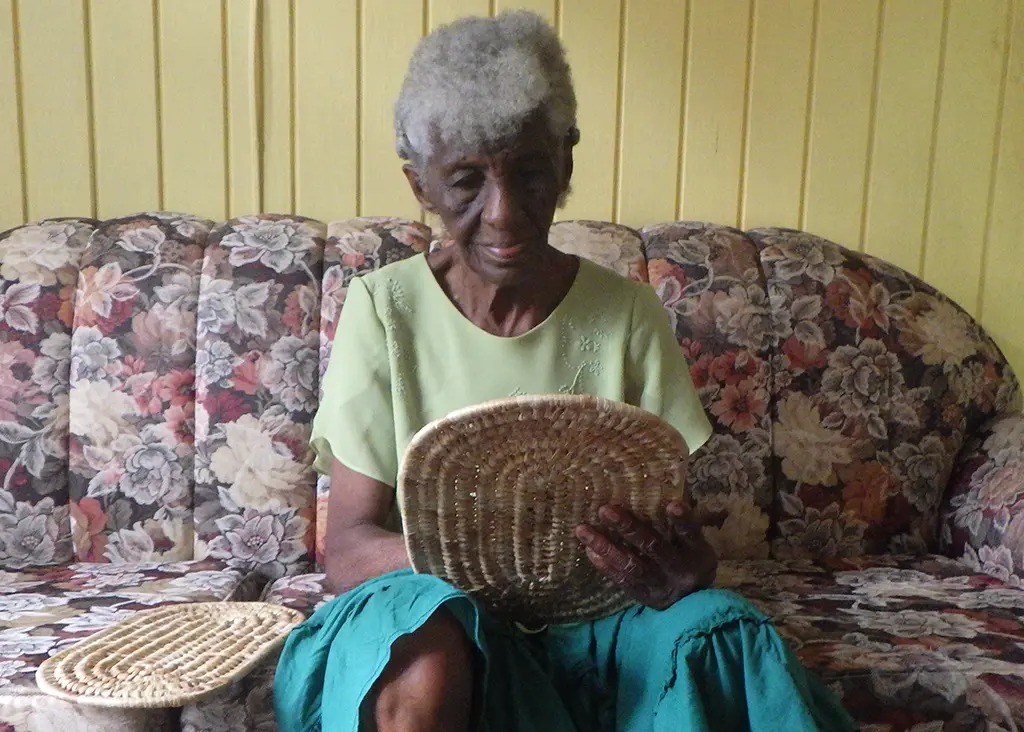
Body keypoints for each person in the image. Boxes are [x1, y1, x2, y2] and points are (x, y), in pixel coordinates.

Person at [274, 11, 855, 732]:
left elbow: (677, 536)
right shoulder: (382, 309)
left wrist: (687, 571)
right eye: (465, 182)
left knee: (720, 630)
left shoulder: (629, 315)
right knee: (422, 644)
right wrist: (482, 561)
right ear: (419, 185)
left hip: (599, 620)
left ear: (566, 164)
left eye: (530, 173)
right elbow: (350, 549)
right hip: (440, 611)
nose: (504, 215)